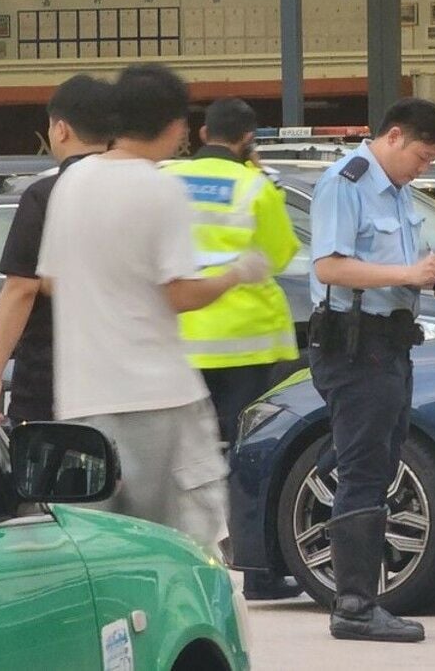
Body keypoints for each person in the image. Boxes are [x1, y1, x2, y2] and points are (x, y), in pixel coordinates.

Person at [37, 64, 271, 551]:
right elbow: (180, 295)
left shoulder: (70, 185)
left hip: (83, 399)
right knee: (176, 546)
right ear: (175, 125)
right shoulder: (161, 188)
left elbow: (52, 281)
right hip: (159, 398)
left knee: (101, 548)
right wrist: (237, 273)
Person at [307, 98, 435, 643]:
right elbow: (329, 266)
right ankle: (353, 605)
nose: (427, 166)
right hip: (354, 345)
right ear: (394, 136)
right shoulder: (346, 183)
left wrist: (433, 279)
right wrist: (407, 272)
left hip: (390, 345)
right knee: (366, 469)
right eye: (423, 154)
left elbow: (395, 272)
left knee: (380, 457)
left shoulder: (397, 192)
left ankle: (354, 584)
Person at [163, 98, 303, 600]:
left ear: (202, 132)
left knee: (184, 457)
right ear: (248, 139)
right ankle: (259, 574)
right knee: (250, 458)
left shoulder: (167, 180)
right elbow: (282, 253)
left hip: (181, 338)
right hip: (248, 343)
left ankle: (186, 561)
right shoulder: (254, 187)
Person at [0, 74, 117, 426]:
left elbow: (21, 288)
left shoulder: (45, 195)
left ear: (60, 130)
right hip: (124, 374)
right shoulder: (139, 188)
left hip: (52, 377)